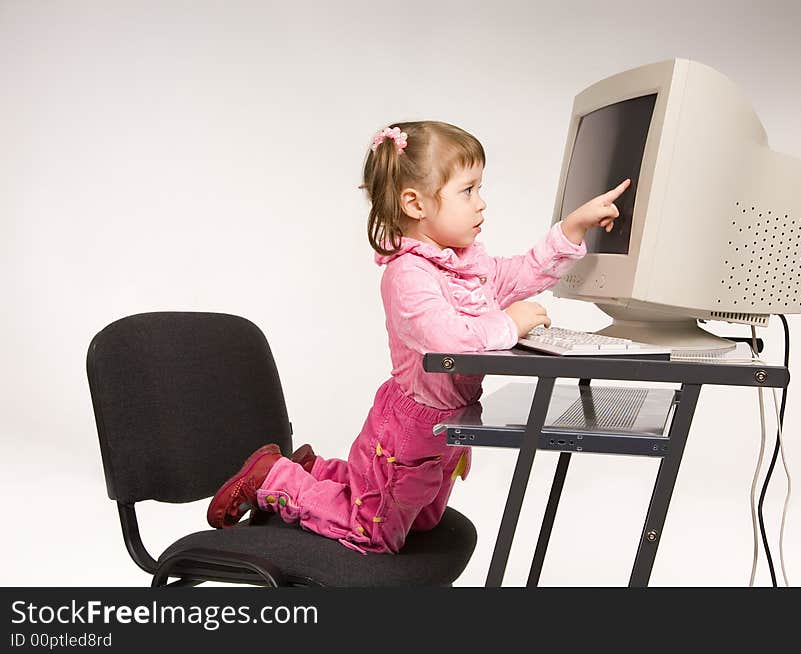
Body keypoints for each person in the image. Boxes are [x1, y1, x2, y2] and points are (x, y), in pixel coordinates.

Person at [207, 121, 630, 554]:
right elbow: (448, 342)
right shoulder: (408, 275)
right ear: (415, 203)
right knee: (374, 533)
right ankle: (274, 478)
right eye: (468, 191)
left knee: (423, 522)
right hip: (411, 430)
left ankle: (316, 472)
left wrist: (573, 228)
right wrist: (509, 324)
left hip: (445, 426)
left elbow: (522, 272)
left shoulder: (463, 267)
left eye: (480, 189)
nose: (482, 204)